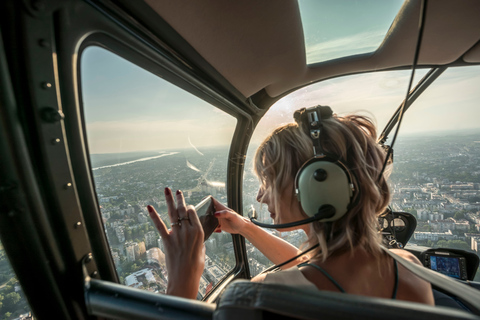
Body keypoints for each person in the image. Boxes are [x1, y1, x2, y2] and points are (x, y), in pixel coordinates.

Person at [147, 108, 434, 305]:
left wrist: (182, 278)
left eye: (268, 181)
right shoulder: (409, 268)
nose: (260, 197)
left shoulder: (261, 296)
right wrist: (246, 228)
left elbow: (309, 276)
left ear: (317, 184)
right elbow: (312, 268)